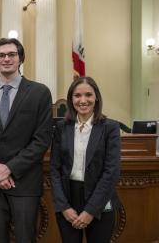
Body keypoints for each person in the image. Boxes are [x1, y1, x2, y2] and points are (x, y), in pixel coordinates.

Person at [0, 38, 53, 242]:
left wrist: (9, 168)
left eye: (11, 54)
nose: (6, 59)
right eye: (1, 55)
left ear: (20, 59)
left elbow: (42, 139)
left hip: (25, 183)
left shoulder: (40, 92)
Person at [50, 77, 120, 243]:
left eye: (88, 95)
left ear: (96, 98)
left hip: (100, 198)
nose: (83, 100)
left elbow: (111, 172)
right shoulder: (61, 127)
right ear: (71, 99)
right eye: (77, 95)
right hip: (68, 198)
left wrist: (90, 211)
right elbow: (54, 169)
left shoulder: (110, 127)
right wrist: (64, 207)